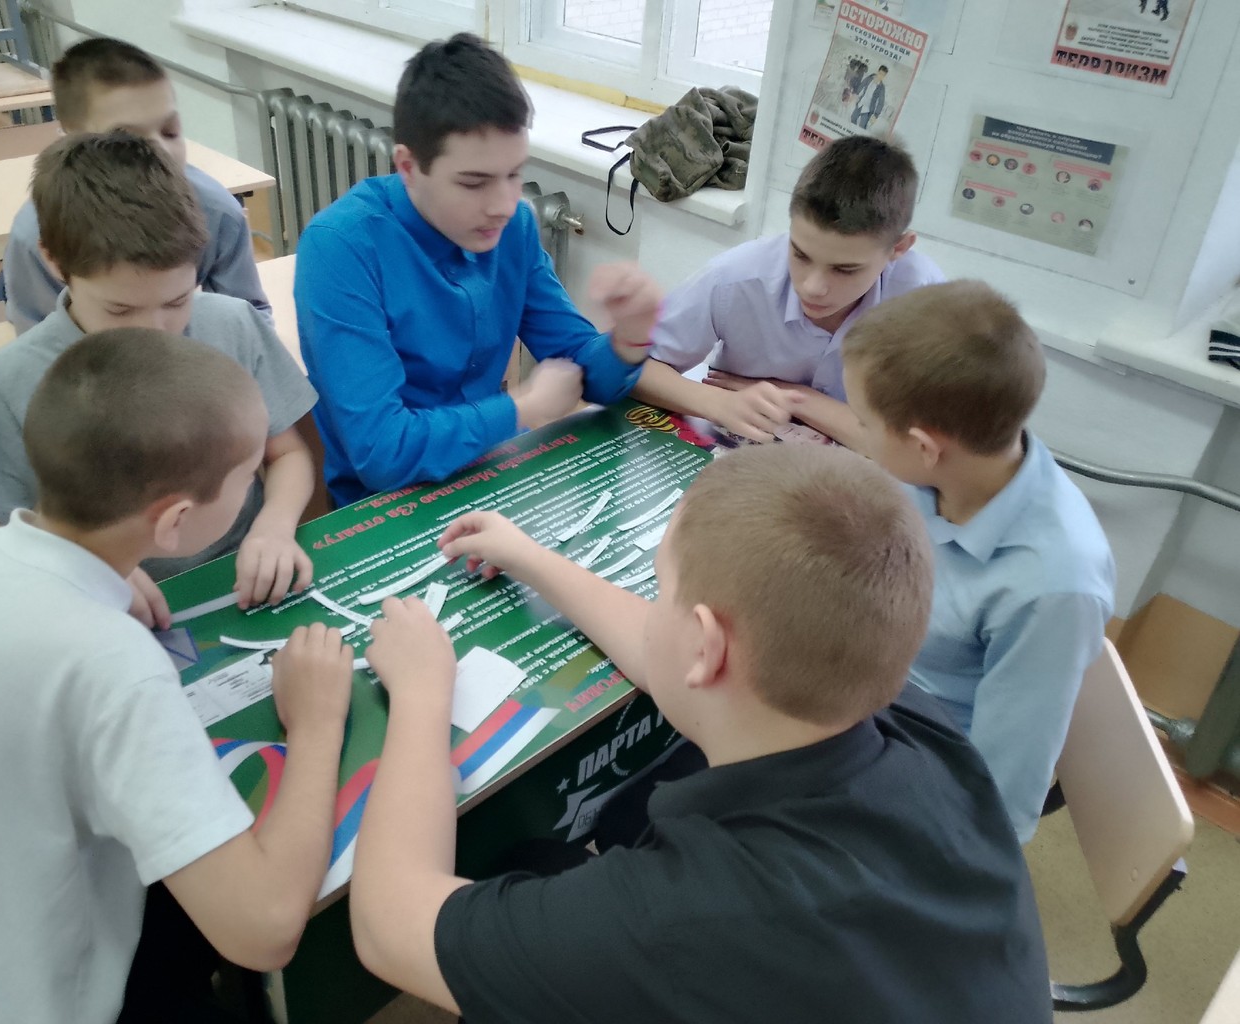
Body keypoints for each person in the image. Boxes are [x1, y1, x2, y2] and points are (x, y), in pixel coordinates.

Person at [348, 443, 1053, 1023]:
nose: (654, 608)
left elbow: (388, 926)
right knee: (546, 860)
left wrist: (422, 693)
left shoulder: (684, 920)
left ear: (708, 645)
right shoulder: (908, 718)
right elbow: (675, 654)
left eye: (662, 590)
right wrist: (532, 559)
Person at [0, 330, 350, 1024]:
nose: (255, 484)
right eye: (248, 475)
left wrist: (102, 575)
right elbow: (265, 929)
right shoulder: (112, 665)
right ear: (176, 522)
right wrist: (316, 724)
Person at [0, 132, 319, 628]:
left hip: (240, 581)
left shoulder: (231, 325)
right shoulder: (12, 378)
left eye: (177, 301)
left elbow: (289, 453)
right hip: (96, 612)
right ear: (54, 260)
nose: (155, 331)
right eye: (120, 309)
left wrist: (275, 527)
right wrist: (74, 565)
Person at [295, 32, 662, 506]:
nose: (504, 205)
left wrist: (629, 339)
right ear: (408, 166)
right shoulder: (342, 247)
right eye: (474, 183)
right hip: (387, 504)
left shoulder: (515, 228)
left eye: (515, 174)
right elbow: (382, 451)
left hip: (493, 472)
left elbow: (580, 369)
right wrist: (520, 409)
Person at [842, 280, 1116, 842]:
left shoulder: (1051, 585)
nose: (860, 436)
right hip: (872, 689)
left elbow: (1000, 799)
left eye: (864, 424)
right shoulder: (940, 476)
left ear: (925, 447)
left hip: (923, 758)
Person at [633, 135, 943, 448]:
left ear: (898, 248)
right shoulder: (736, 277)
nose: (812, 287)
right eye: (800, 254)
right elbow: (631, 367)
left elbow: (919, 443)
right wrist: (718, 403)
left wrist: (799, 399)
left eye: (844, 269)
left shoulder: (924, 302)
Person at [0, 36, 271, 334]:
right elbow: (40, 339)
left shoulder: (219, 213)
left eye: (170, 131)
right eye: (126, 140)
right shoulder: (35, 234)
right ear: (72, 140)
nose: (160, 151)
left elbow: (251, 318)